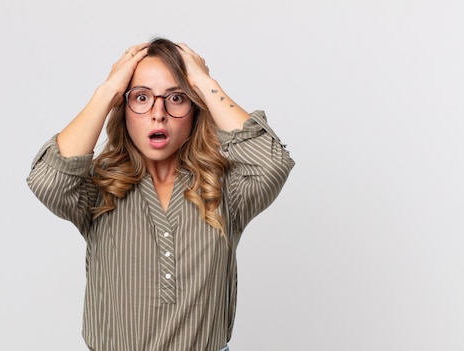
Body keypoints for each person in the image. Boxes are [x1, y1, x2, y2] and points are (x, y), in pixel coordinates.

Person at [26, 37, 294, 351]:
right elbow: (47, 179)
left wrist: (205, 83)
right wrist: (107, 92)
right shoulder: (99, 189)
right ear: (123, 108)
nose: (158, 113)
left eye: (176, 98)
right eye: (141, 97)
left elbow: (272, 162)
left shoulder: (225, 190)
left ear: (195, 108)